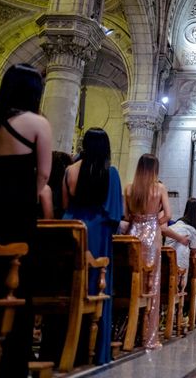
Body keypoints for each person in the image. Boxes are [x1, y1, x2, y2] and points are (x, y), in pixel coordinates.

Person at [0, 63, 52, 377]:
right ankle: (12, 362)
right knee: (20, 279)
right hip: (17, 208)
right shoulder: (37, 123)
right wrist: (30, 196)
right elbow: (43, 172)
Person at [58, 128, 123, 364]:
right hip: (98, 234)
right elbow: (115, 215)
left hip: (72, 230)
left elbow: (65, 206)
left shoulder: (69, 171)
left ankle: (63, 345)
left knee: (71, 287)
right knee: (97, 288)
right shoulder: (111, 173)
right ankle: (94, 349)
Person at [124, 153, 171, 349]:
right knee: (153, 282)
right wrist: (153, 222)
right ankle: (149, 337)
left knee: (132, 280)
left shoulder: (128, 188)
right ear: (155, 169)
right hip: (151, 236)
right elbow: (168, 214)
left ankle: (128, 332)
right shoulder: (159, 188)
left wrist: (139, 220)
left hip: (133, 233)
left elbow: (126, 216)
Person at [165, 198, 196, 271]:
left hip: (166, 260)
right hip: (180, 264)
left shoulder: (171, 228)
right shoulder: (191, 229)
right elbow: (194, 250)